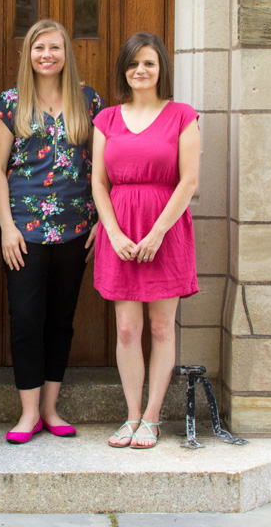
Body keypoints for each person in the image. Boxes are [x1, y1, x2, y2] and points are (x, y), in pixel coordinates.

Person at [0, 20, 103, 444]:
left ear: (66, 54)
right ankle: (28, 413)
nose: (47, 55)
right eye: (39, 47)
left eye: (55, 47)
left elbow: (101, 168)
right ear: (29, 54)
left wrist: (99, 223)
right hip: (24, 233)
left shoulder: (88, 101)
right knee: (25, 321)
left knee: (61, 321)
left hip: (75, 230)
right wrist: (5, 227)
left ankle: (51, 410)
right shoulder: (10, 103)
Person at [91, 32, 200, 450]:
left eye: (149, 63)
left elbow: (189, 181)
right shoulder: (108, 120)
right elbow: (98, 182)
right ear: (124, 69)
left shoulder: (182, 116)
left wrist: (156, 233)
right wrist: (114, 232)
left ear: (161, 69)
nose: (141, 70)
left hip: (165, 232)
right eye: (134, 63)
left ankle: (153, 418)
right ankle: (131, 415)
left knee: (160, 326)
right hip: (120, 230)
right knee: (125, 328)